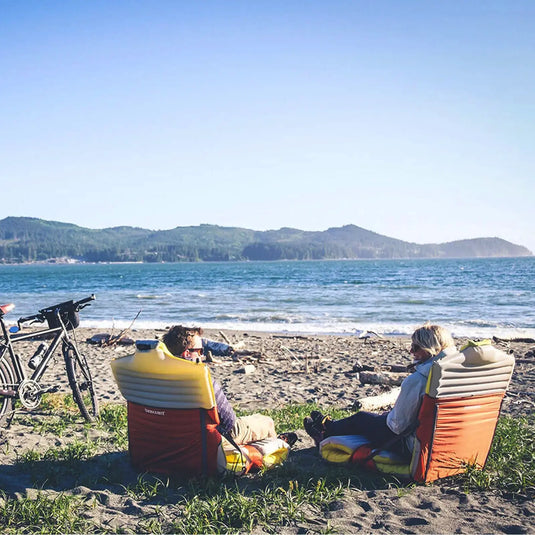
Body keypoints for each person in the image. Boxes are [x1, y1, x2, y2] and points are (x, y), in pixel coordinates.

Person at [303, 324, 457, 458]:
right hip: (446, 442)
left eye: (415, 347)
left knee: (361, 418)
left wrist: (388, 417)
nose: (411, 351)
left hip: (407, 444)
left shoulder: (419, 380)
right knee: (374, 418)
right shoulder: (460, 375)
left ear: (431, 349)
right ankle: (329, 426)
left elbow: (397, 427)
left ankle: (325, 431)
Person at [163, 325, 297, 447]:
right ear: (187, 353)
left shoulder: (157, 377)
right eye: (200, 351)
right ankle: (278, 449)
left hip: (176, 436)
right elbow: (229, 424)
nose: (203, 355)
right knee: (266, 421)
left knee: (254, 420)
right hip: (212, 437)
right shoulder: (202, 381)